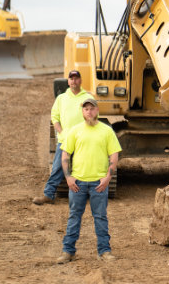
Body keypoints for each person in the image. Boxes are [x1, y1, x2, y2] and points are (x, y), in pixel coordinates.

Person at [57, 98, 121, 264]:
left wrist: (108, 177)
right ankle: (68, 251)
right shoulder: (75, 131)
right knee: (74, 217)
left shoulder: (107, 131)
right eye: (86, 109)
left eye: (92, 109)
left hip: (98, 184)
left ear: (97, 110)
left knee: (100, 217)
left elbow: (114, 154)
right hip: (77, 183)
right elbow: (65, 154)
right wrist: (68, 177)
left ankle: (104, 251)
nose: (89, 112)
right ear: (82, 112)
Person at [33, 70, 95, 205]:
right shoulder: (61, 98)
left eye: (76, 78)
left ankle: (87, 195)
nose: (74, 81)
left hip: (83, 140)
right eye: (71, 78)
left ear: (81, 80)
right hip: (65, 140)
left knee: (86, 167)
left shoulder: (88, 98)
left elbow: (93, 117)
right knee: (58, 167)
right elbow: (54, 117)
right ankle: (49, 194)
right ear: (68, 81)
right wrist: (61, 132)